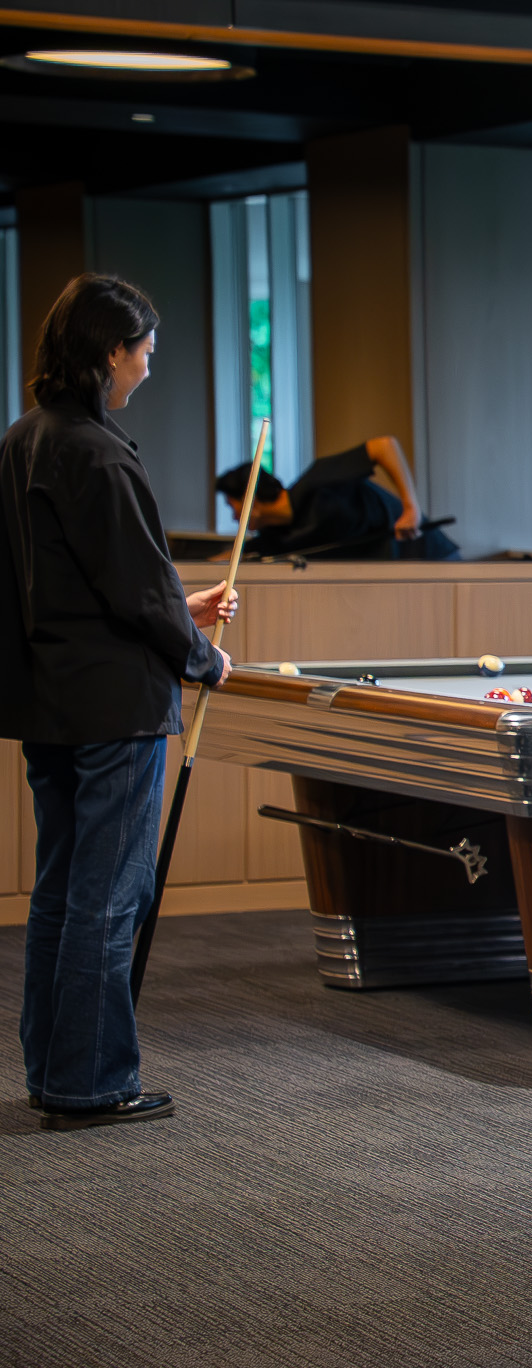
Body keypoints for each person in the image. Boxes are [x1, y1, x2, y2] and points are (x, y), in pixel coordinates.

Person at [0, 274, 235, 1131]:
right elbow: (136, 592)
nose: (148, 367)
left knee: (61, 892)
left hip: (52, 701)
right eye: (144, 351)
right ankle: (93, 1084)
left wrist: (181, 606)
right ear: (110, 351)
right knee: (109, 896)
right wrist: (203, 656)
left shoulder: (24, 438)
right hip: (116, 709)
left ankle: (54, 1071)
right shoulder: (101, 452)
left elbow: (91, 581)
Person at [215, 434, 456, 562]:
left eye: (232, 506)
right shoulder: (279, 536)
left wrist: (411, 509)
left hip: (430, 555)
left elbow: (384, 446)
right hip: (393, 572)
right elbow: (239, 554)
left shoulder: (317, 481)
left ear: (251, 499)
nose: (235, 517)